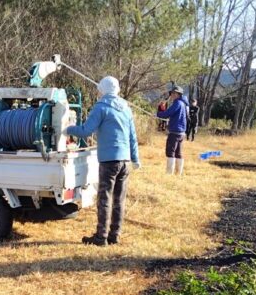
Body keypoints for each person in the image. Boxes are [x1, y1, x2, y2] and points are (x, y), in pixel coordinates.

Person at [65, 75, 140, 246]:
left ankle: (101, 237)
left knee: (104, 198)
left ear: (102, 90)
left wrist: (67, 129)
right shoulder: (126, 108)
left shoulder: (101, 107)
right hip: (125, 160)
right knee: (119, 199)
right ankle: (115, 235)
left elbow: (86, 131)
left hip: (109, 160)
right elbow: (132, 136)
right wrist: (135, 159)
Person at [157, 84, 189, 176]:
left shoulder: (177, 103)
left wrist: (159, 113)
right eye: (172, 93)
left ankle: (169, 174)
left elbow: (167, 114)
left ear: (179, 94)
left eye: (175, 93)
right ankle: (178, 173)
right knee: (178, 153)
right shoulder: (183, 103)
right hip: (181, 132)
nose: (172, 95)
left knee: (170, 152)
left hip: (175, 132)